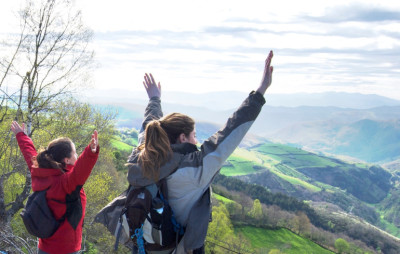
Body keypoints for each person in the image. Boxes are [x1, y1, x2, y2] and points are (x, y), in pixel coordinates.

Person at [126, 50, 274, 253]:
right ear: (182, 138)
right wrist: (260, 93)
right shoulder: (194, 169)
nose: (197, 141)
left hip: (143, 246)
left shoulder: (143, 155)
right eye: (194, 135)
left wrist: (154, 99)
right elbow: (230, 132)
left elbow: (149, 125)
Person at [11, 121, 99, 254]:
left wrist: (21, 136)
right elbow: (82, 168)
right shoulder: (67, 183)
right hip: (65, 249)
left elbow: (30, 154)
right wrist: (90, 152)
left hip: (44, 247)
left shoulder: (40, 171)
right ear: (67, 160)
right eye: (75, 153)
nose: (77, 155)